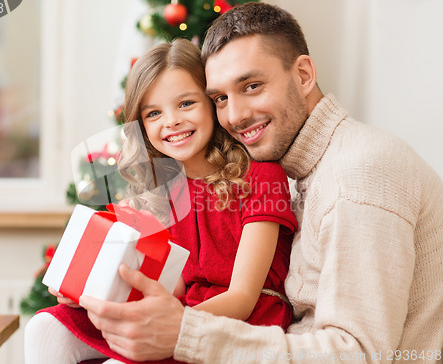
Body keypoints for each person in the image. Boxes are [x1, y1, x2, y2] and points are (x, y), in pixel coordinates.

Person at [77, 3, 443, 363]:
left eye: (252, 86)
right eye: (220, 98)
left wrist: (186, 334)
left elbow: (359, 354)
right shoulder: (293, 171)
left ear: (303, 75)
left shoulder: (359, 175)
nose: (234, 116)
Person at [24, 38, 297, 364]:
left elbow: (242, 297)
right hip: (183, 308)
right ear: (140, 125)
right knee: (43, 327)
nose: (171, 121)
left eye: (185, 104)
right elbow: (172, 287)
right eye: (154, 113)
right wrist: (88, 295)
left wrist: (168, 325)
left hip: (241, 320)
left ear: (211, 104)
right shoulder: (165, 191)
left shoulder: (260, 177)